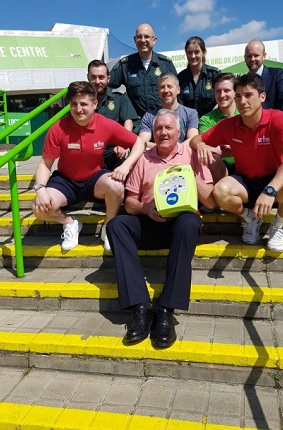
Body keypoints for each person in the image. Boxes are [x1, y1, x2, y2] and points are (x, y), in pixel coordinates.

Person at [106, 109, 215, 348]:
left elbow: (209, 201)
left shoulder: (192, 154)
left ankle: (166, 309)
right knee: (117, 225)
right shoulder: (144, 159)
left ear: (179, 131)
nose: (163, 132)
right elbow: (130, 202)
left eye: (168, 128)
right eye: (158, 129)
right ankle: (141, 307)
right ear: (152, 132)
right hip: (150, 223)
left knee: (190, 222)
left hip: (180, 226)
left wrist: (189, 176)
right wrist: (146, 209)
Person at [190, 73, 283, 252]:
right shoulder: (229, 124)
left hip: (274, 181)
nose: (242, 101)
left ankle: (278, 224)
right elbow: (195, 140)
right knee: (221, 190)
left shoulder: (280, 119)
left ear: (262, 96)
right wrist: (202, 145)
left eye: (248, 95)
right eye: (238, 96)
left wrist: (270, 189)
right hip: (246, 181)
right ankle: (250, 218)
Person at [32, 81, 145, 253]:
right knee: (38, 208)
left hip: (94, 178)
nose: (78, 109)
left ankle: (109, 227)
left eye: (83, 104)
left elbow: (139, 143)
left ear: (94, 104)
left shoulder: (105, 124)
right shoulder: (58, 128)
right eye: (74, 104)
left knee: (116, 185)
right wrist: (40, 189)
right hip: (65, 181)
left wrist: (126, 166)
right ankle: (70, 223)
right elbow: (45, 164)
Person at [108, 23, 177, 130]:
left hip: (162, 122)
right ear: (135, 39)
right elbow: (107, 85)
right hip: (137, 125)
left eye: (147, 36)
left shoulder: (165, 64)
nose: (143, 40)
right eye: (139, 37)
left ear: (154, 40)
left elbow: (177, 94)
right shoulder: (125, 65)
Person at [87, 59, 138, 170]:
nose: (97, 81)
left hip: (113, 150)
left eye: (101, 77)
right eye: (93, 77)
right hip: (90, 150)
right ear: (88, 78)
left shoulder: (119, 97)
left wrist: (123, 144)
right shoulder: (82, 100)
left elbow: (128, 121)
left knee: (123, 156)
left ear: (108, 79)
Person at [139, 72, 198, 150]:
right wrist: (165, 149)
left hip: (183, 159)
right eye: (162, 87)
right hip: (156, 160)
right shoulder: (149, 116)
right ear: (158, 91)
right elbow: (142, 142)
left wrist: (166, 149)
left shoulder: (191, 114)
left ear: (178, 90)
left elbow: (192, 141)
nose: (166, 90)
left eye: (169, 86)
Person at [199, 72, 238, 182]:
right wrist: (238, 148)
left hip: (246, 163)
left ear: (235, 92)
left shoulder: (245, 114)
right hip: (221, 166)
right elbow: (206, 148)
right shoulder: (206, 119)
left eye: (226, 90)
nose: (222, 95)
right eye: (218, 91)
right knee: (212, 159)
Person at [244, 39, 283, 113]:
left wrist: (279, 120)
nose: (252, 59)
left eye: (256, 55)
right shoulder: (243, 81)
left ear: (264, 56)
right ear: (245, 58)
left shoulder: (276, 74)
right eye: (249, 56)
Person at [178, 36, 220, 117]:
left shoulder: (215, 74)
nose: (193, 56)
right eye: (189, 52)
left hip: (212, 123)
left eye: (196, 52)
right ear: (186, 54)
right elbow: (179, 106)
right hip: (188, 125)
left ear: (204, 52)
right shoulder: (180, 78)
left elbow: (221, 101)